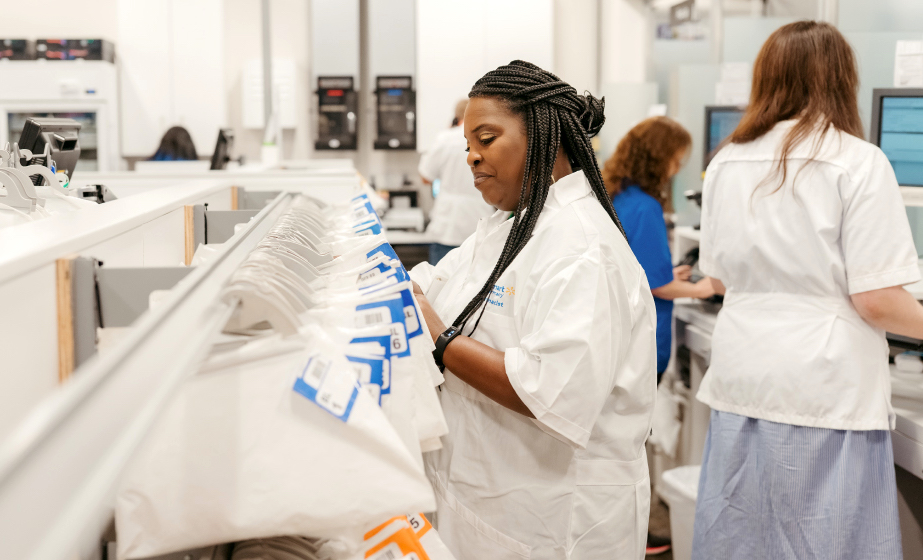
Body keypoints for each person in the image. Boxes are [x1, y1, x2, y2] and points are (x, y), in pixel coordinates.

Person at [693, 21, 923, 560]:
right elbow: (877, 300)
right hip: (823, 390)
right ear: (841, 79)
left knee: (742, 541)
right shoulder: (858, 161)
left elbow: (719, 278)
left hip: (742, 381)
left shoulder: (725, 160)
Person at [410, 60, 656, 559]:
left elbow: (551, 391)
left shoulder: (582, 248)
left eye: (486, 138)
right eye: (467, 145)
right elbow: (433, 287)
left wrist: (441, 339)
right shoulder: (511, 226)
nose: (472, 157)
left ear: (547, 136)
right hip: (492, 502)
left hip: (557, 520)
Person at [603, 116, 715, 384]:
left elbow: (632, 269)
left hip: (614, 343)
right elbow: (657, 286)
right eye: (676, 161)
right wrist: (704, 288)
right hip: (641, 349)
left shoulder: (617, 195)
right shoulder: (645, 207)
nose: (676, 170)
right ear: (657, 159)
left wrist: (666, 274)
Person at [419, 100, 494, 264]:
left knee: (440, 277)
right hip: (479, 219)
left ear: (457, 116)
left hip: (448, 224)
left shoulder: (445, 138)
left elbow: (425, 177)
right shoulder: (489, 139)